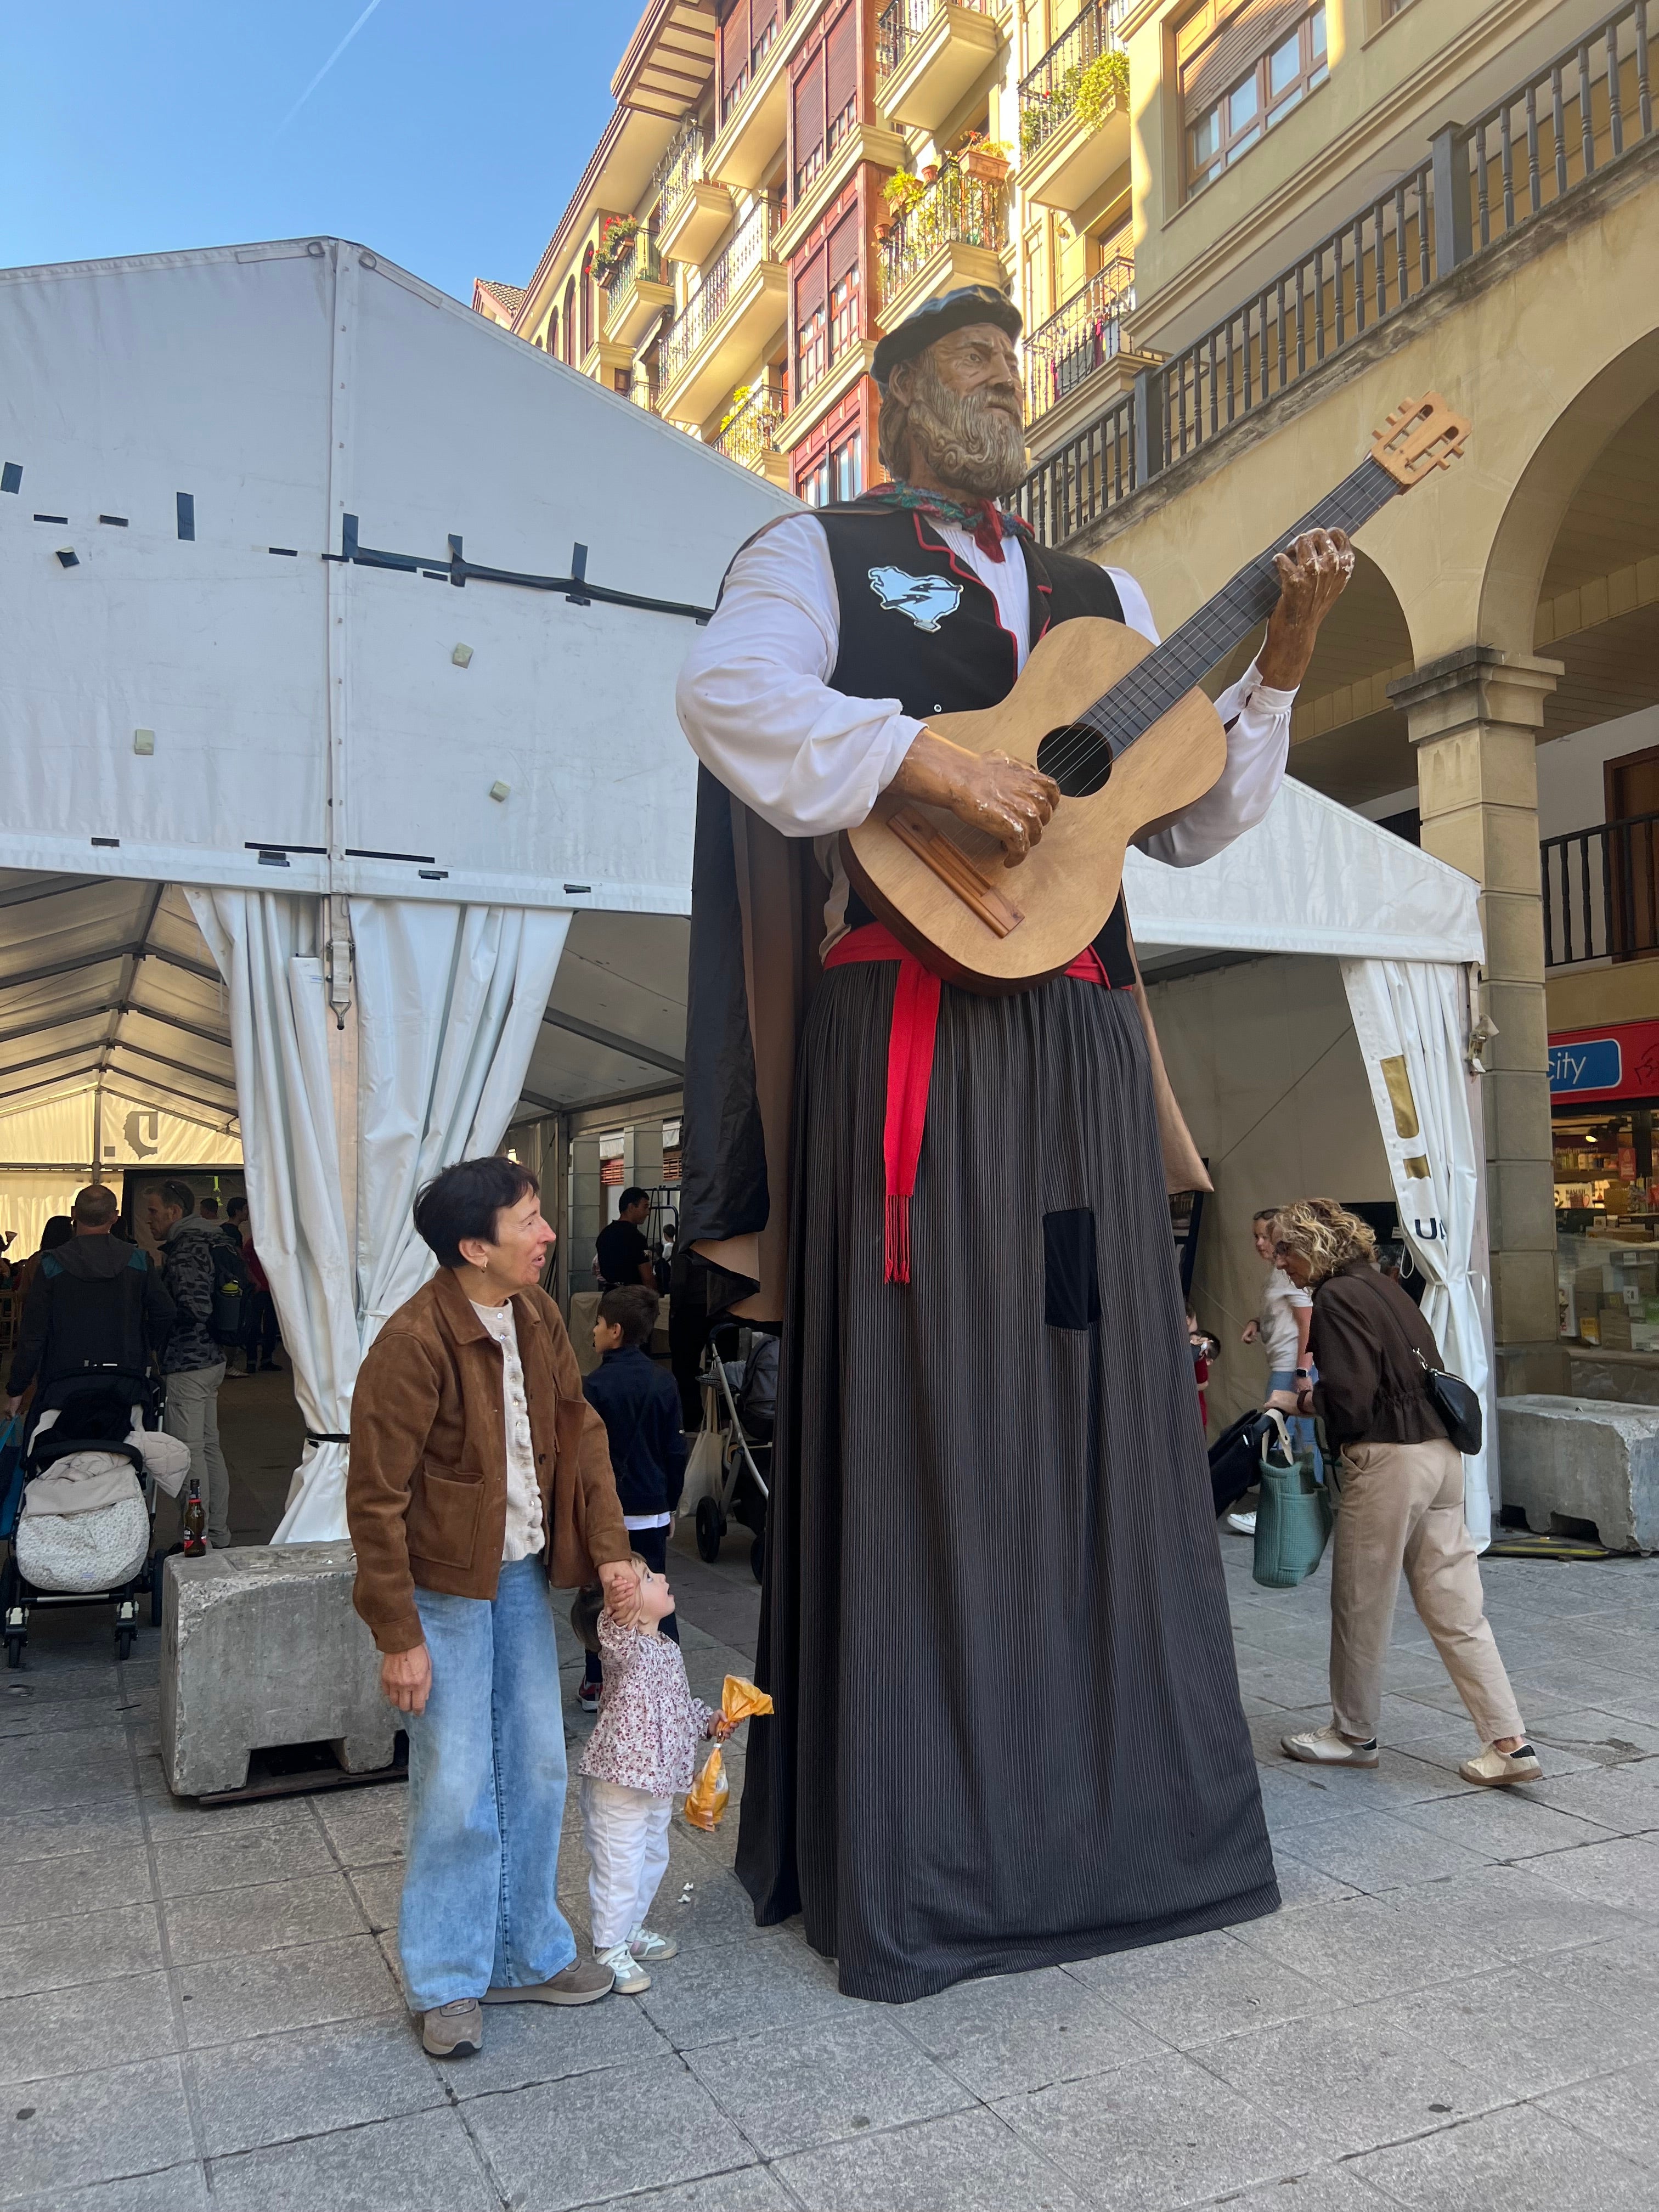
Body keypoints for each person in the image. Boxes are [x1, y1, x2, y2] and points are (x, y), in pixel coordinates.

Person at [674, 283, 1355, 2001]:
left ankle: (1113, 1812)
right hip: (909, 1024)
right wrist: (924, 766)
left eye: (1014, 366)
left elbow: (1189, 820)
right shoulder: (815, 554)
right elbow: (729, 699)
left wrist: (1278, 665)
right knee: (926, 1402)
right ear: (896, 398)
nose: (1004, 384)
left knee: (1097, 1376)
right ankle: (928, 1833)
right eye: (970, 364)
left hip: (1080, 1039)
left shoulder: (1105, 599)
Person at [346, 1155, 636, 2060]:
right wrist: (397, 1633)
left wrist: (611, 1547)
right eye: (529, 1221)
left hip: (516, 1579)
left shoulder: (536, 1313)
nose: (548, 1234)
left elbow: (579, 1431)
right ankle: (446, 1979)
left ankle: (526, 1951)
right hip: (441, 1591)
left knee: (540, 1767)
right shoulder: (412, 1342)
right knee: (455, 1783)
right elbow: (375, 1501)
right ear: (475, 1247)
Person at [1273, 1198, 1541, 1788]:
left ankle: (1352, 1735)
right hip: (1442, 1454)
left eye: (1285, 1249)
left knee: (1361, 1601)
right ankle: (1509, 1742)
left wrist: (1305, 1401)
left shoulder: (1336, 1296)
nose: (1279, 1262)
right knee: (1457, 1606)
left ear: (1314, 1244)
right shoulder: (1385, 1286)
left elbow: (1352, 1400)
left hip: (1390, 1459)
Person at [577, 1555, 736, 1994]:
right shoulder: (622, 1647)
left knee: (652, 1858)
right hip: (619, 1784)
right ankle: (609, 1946)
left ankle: (630, 1931)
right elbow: (611, 1630)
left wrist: (708, 1722)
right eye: (647, 1577)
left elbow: (678, 1707)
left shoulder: (667, 1648)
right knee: (620, 1866)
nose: (662, 1578)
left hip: (658, 1783)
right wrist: (617, 1603)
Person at [577, 1284, 689, 1714]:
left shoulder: (594, 1386)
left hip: (609, 1512)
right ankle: (666, 1682)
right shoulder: (664, 1382)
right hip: (654, 1506)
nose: (594, 1330)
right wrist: (671, 1502)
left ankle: (597, 1682)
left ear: (616, 1331)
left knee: (603, 1596)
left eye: (599, 1323)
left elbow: (585, 1459)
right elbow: (675, 1450)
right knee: (655, 1593)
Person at [4, 1183, 174, 1423]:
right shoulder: (138, 1260)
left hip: (62, 1379)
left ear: (74, 1214)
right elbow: (165, 1312)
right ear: (115, 1217)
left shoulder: (51, 1264)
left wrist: (17, 1388)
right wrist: (143, 1344)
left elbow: (33, 1332)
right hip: (126, 1376)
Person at [145, 1180, 234, 1551]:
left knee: (189, 1451)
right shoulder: (214, 1240)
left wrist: (157, 1321)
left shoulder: (186, 1248)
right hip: (212, 1358)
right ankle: (217, 1534)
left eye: (153, 1211)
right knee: (209, 1447)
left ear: (174, 1211)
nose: (149, 1220)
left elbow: (194, 1307)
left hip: (188, 1361)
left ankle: (196, 1540)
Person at [1232, 1206, 1317, 1537]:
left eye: (1265, 1236)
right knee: (1296, 1439)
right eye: (1255, 1236)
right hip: (1287, 1366)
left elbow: (1308, 1324)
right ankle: (1301, 1511)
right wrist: (1257, 1322)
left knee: (1283, 1438)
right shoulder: (1278, 1273)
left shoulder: (1289, 1272)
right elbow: (1284, 1316)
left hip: (1291, 1369)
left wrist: (1302, 1372)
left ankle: (1281, 1512)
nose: (1259, 1243)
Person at [225, 1194, 280, 1375]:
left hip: (264, 1287)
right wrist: (254, 1281)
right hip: (261, 1287)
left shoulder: (251, 1241)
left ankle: (257, 1361)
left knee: (261, 1325)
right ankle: (258, 1360)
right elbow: (243, 1261)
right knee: (259, 1324)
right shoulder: (249, 1240)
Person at [594, 1189, 655, 1289]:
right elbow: (647, 1276)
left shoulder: (604, 1235)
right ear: (631, 1207)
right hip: (633, 1294)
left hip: (610, 1292)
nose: (648, 1213)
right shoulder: (638, 1238)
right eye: (645, 1207)